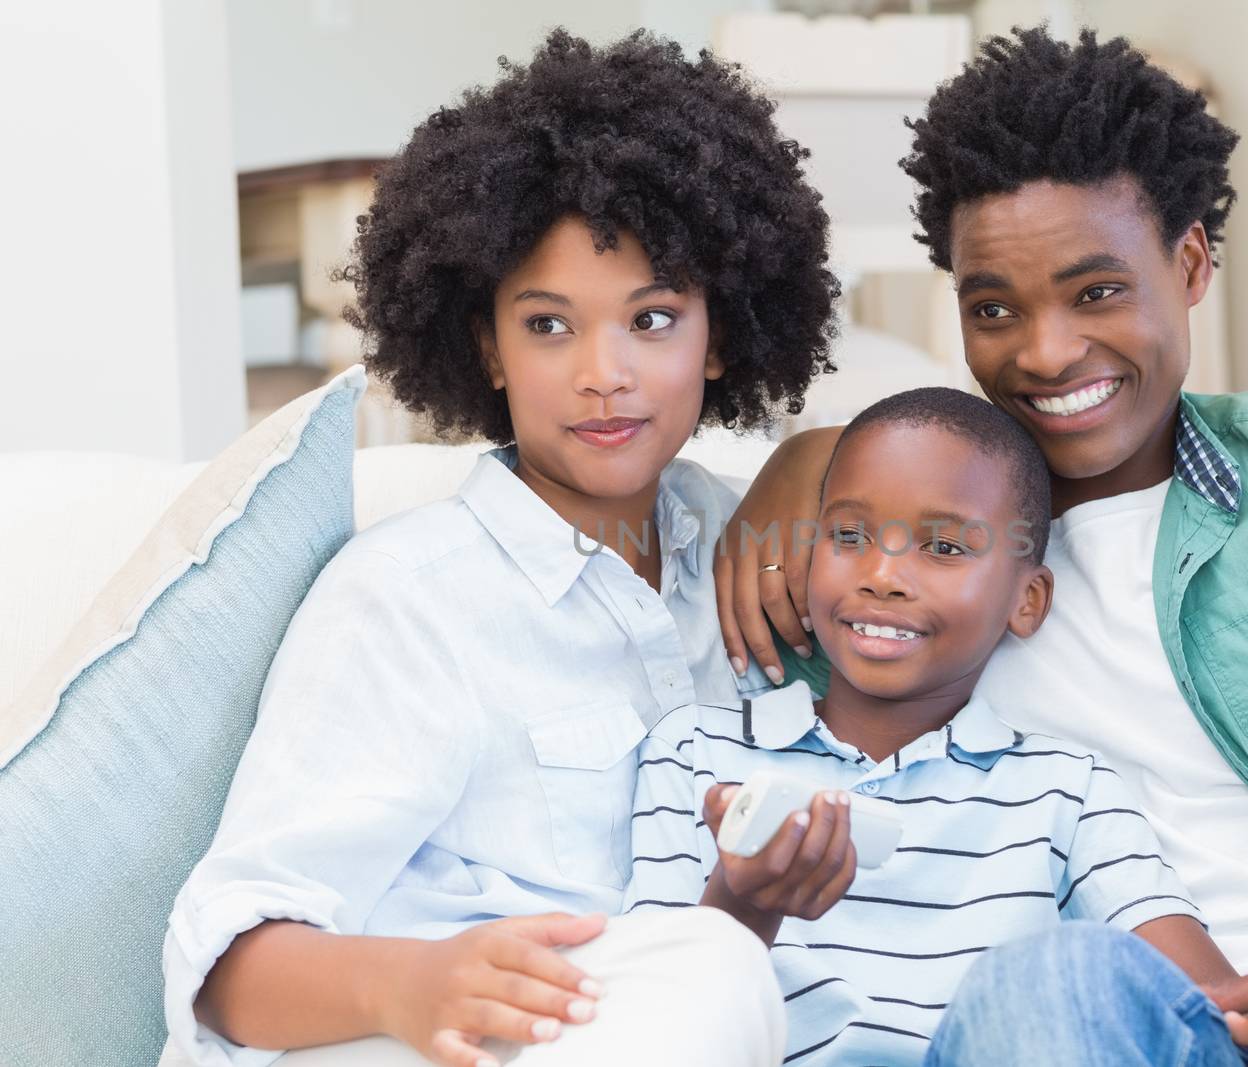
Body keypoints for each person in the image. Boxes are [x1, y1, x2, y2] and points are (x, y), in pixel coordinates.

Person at [716, 28, 1248, 1065]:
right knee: (1040, 977)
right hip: (1126, 1029)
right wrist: (809, 454)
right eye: (993, 307)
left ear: (1187, 263)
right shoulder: (891, 554)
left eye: (1096, 291)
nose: (1045, 351)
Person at [162, 29, 837, 1067]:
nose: (603, 373)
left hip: (681, 1017)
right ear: (484, 344)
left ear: (726, 335)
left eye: (653, 318)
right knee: (712, 968)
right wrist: (406, 982)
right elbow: (230, 965)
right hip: (441, 1037)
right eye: (549, 325)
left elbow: (983, 509)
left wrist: (822, 450)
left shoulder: (760, 546)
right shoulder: (409, 598)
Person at [625, 387, 1248, 1066]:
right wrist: (745, 902)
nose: (883, 575)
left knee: (1060, 976)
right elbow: (654, 1023)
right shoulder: (696, 751)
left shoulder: (1064, 790)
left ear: (1027, 600)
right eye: (848, 536)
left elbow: (1204, 1007)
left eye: (945, 547)